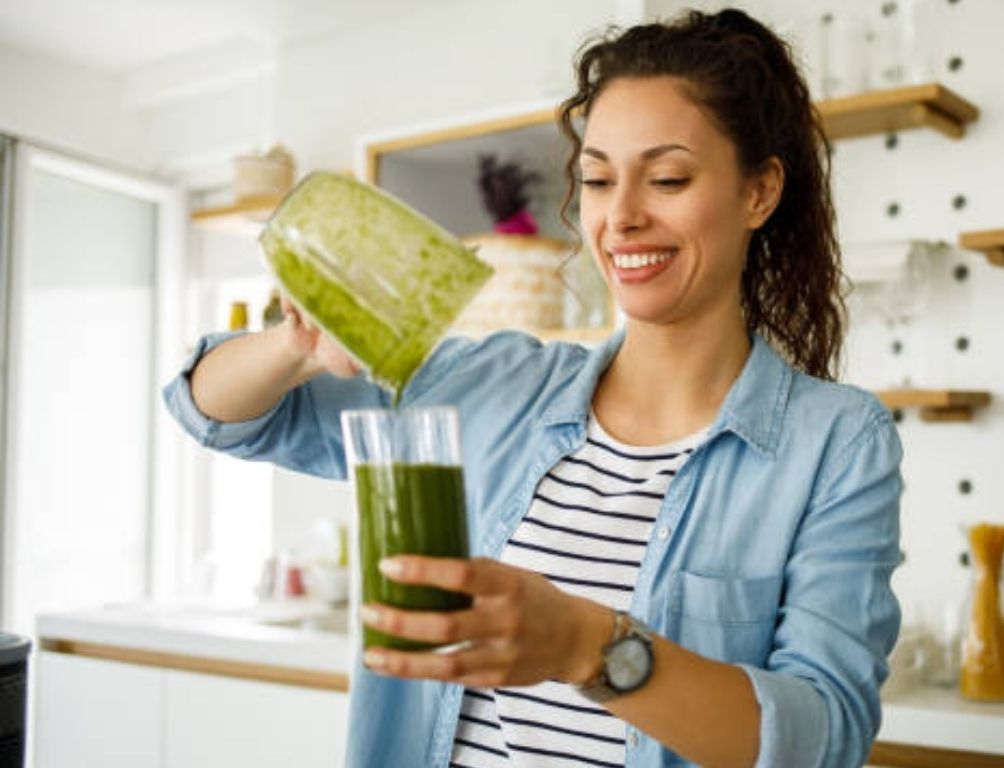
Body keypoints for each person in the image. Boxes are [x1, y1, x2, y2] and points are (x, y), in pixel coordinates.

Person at [163, 8, 902, 767]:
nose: (621, 216)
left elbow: (822, 738)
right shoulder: (487, 386)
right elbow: (214, 412)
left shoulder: (836, 443)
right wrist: (295, 345)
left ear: (759, 192)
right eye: (598, 180)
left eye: (668, 179)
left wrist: (588, 646)